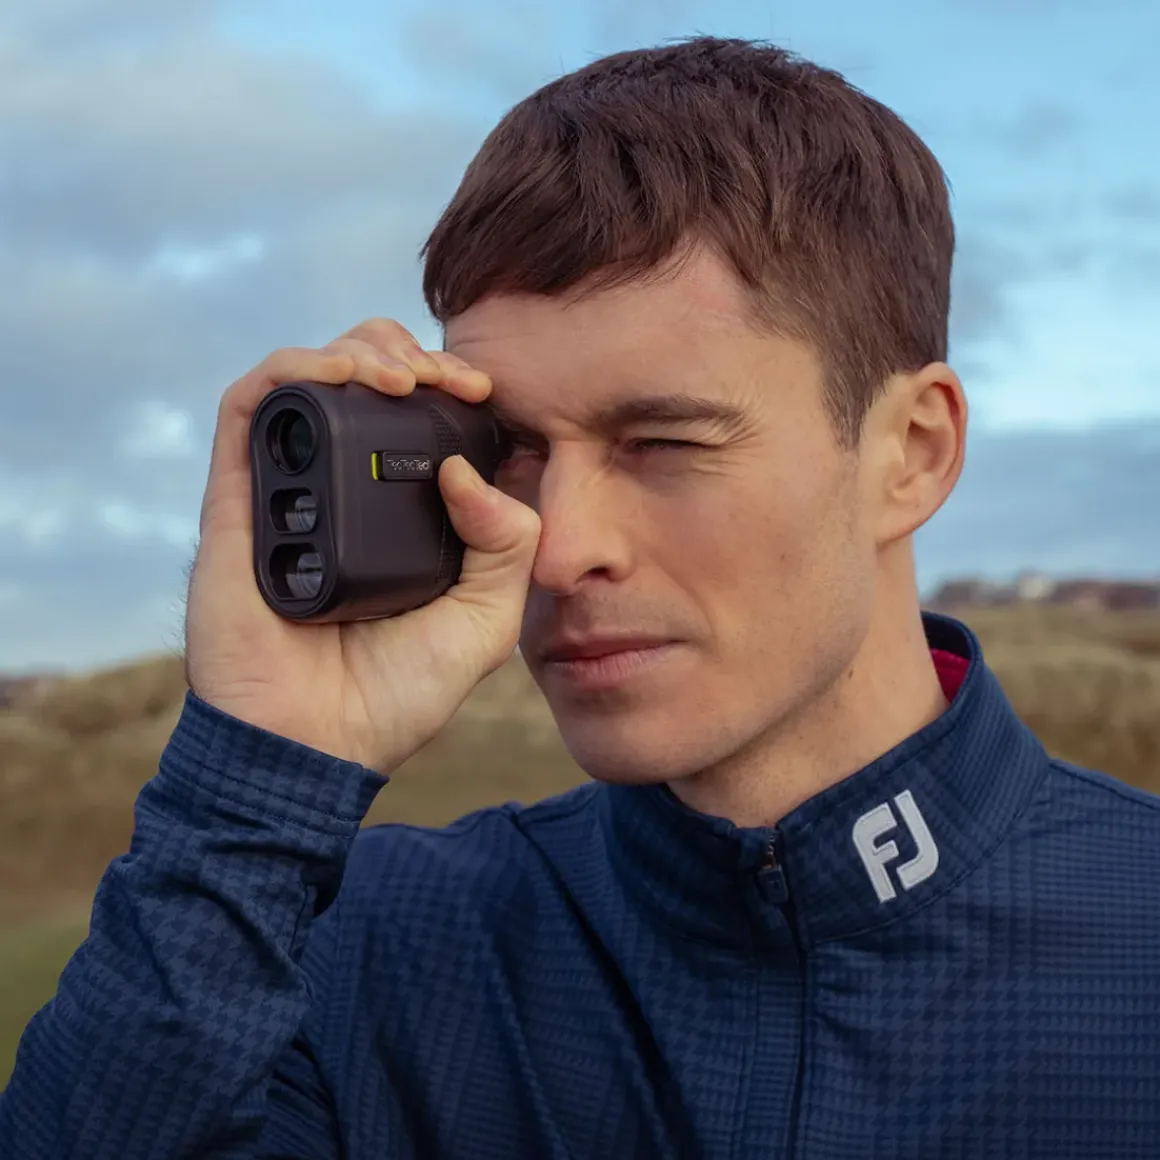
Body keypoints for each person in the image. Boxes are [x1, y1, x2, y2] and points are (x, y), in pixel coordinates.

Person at [2, 34, 1158, 1160]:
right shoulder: (356, 953)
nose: (555, 550)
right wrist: (252, 779)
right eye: (508, 447)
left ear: (909, 452)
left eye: (662, 441)